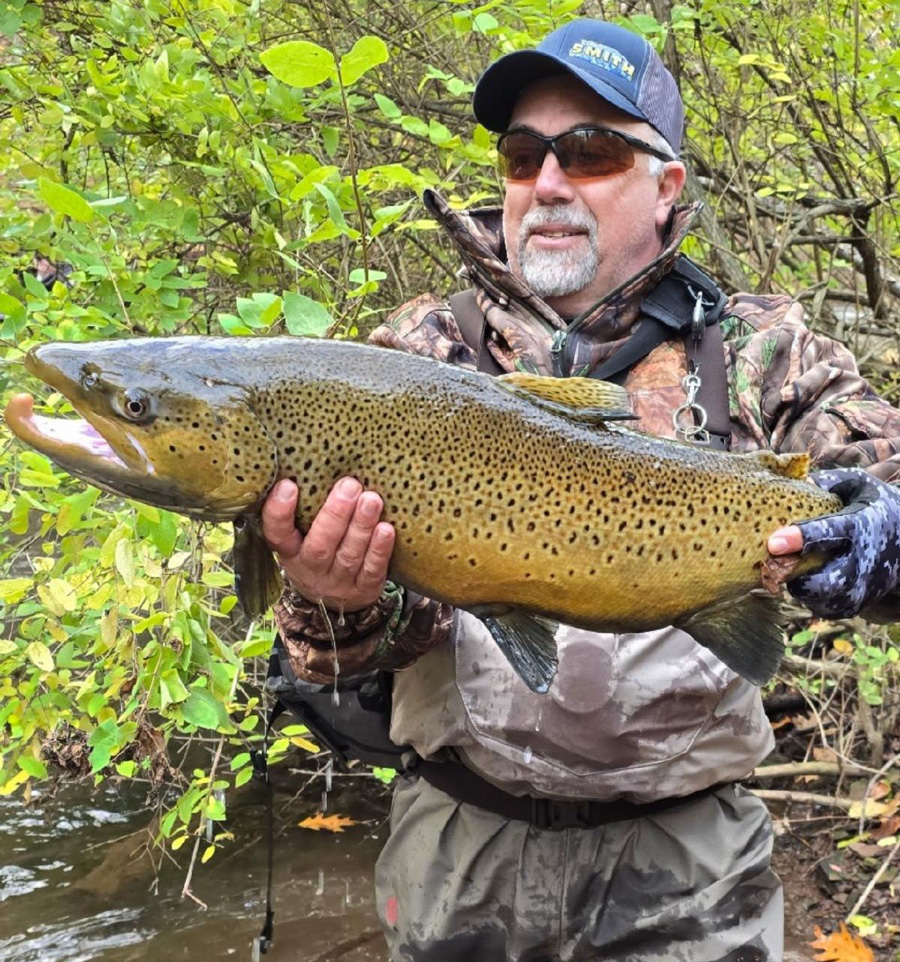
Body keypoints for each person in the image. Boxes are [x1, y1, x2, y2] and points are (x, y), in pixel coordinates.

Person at [260, 19, 900, 962]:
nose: (548, 183)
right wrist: (335, 599)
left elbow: (884, 487)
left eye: (591, 152)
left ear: (667, 184)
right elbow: (346, 656)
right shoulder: (418, 355)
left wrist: (881, 535)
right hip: (459, 849)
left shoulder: (764, 354)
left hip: (690, 863)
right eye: (524, 157)